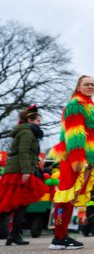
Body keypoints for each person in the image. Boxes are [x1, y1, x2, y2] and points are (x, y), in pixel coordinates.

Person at [48, 75, 94, 250]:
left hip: (87, 158)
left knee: (71, 198)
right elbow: (74, 133)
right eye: (86, 84)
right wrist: (78, 158)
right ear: (78, 87)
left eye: (93, 84)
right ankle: (58, 237)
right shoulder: (76, 105)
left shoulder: (92, 107)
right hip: (75, 158)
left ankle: (62, 235)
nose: (90, 86)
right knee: (65, 197)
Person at [0, 105, 49, 246]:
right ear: (30, 120)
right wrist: (26, 171)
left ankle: (15, 234)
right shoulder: (27, 132)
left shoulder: (29, 132)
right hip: (18, 171)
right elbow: (23, 152)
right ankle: (15, 234)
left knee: (21, 204)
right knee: (12, 204)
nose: (40, 123)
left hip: (21, 169)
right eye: (38, 120)